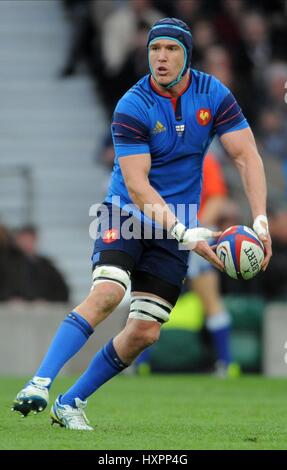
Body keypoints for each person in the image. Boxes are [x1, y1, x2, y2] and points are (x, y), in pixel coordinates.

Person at [12, 18, 271, 430]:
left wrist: (260, 220)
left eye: (171, 49)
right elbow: (138, 187)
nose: (161, 57)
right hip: (125, 213)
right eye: (155, 49)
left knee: (145, 332)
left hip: (179, 222)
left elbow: (246, 156)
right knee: (109, 292)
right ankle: (39, 382)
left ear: (187, 55)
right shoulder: (133, 104)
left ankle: (70, 402)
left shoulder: (214, 94)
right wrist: (186, 234)